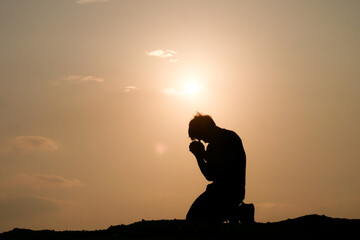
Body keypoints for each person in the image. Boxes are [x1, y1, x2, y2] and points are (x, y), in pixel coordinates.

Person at [186, 113, 254, 223]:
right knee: (194, 217)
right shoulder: (220, 142)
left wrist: (200, 155)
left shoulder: (224, 140)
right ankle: (237, 212)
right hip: (224, 191)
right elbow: (212, 171)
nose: (203, 141)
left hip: (227, 192)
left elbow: (216, 171)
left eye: (201, 137)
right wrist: (201, 155)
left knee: (196, 219)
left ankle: (239, 212)